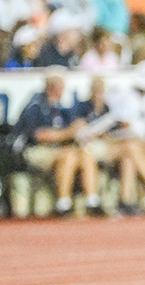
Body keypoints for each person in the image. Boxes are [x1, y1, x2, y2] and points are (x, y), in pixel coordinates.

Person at [16, 70, 104, 217]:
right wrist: (69, 132)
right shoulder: (36, 106)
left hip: (57, 149)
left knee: (85, 153)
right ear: (53, 87)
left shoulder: (61, 108)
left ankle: (92, 201)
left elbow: (69, 131)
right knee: (68, 155)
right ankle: (63, 203)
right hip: (36, 150)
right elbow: (40, 136)